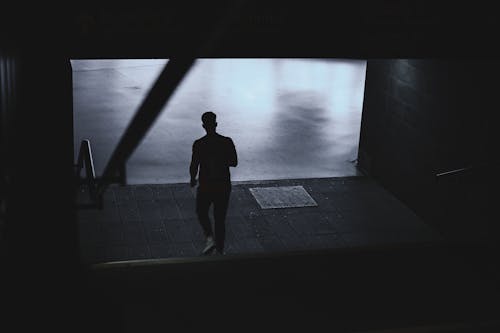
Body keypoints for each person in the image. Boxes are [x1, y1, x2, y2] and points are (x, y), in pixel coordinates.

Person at [190, 111, 237, 255]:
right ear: (216, 124)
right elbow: (234, 162)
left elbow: (194, 165)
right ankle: (220, 251)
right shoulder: (226, 142)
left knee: (201, 211)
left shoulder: (199, 144)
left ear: (203, 126)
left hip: (206, 185)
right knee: (220, 218)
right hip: (222, 186)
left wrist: (193, 179)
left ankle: (210, 238)